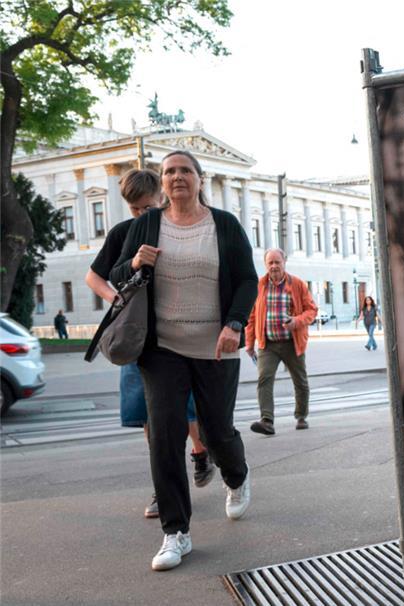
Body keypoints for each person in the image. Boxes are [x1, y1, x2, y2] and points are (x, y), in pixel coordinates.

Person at [110, 150, 257, 571]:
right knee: (164, 436)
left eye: (185, 171)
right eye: (170, 171)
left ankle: (237, 476)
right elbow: (118, 273)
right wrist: (136, 261)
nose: (177, 177)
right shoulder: (147, 224)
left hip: (216, 346)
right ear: (163, 180)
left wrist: (234, 323)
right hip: (162, 350)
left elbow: (248, 279)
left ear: (199, 178)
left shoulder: (223, 225)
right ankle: (176, 533)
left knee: (215, 431)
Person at [84, 168, 215, 519]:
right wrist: (117, 299)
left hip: (179, 336)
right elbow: (93, 276)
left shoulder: (179, 229)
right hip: (140, 339)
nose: (142, 215)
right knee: (149, 415)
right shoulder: (124, 233)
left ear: (162, 196)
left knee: (185, 407)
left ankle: (201, 452)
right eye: (135, 210)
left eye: (148, 206)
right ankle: (163, 488)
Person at [245, 248, 317, 435]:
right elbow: (252, 316)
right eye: (271, 263)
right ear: (265, 264)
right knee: (264, 379)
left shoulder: (298, 284)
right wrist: (249, 343)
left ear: (284, 262)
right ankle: (267, 420)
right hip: (268, 344)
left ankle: (301, 416)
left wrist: (296, 322)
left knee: (300, 381)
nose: (274, 266)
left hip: (292, 342)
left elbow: (312, 310)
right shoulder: (260, 285)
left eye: (277, 262)